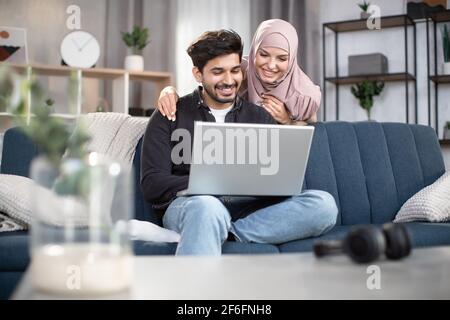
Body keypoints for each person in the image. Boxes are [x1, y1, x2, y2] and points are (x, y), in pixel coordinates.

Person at [140, 29, 337, 255]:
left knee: (324, 205)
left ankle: (228, 233)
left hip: (249, 211)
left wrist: (262, 184)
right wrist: (208, 184)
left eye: (235, 71)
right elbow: (152, 183)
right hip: (192, 206)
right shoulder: (171, 114)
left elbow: (287, 185)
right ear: (198, 74)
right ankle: (199, 268)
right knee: (207, 207)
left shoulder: (259, 117)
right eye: (217, 72)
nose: (228, 80)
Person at [157, 19, 321, 126]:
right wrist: (168, 91)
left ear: (291, 59)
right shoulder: (239, 70)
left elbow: (312, 137)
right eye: (263, 54)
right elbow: (206, 85)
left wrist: (287, 121)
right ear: (254, 51)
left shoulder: (304, 95)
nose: (271, 65)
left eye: (282, 58)